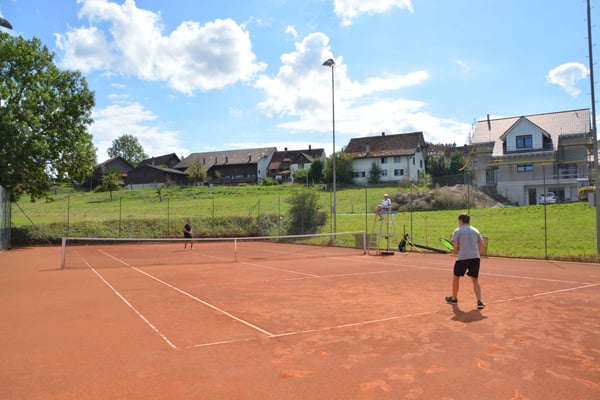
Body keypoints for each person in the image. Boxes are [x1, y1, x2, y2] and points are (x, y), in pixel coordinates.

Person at [445, 213, 486, 309]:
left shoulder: (457, 230)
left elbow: (455, 249)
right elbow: (482, 246)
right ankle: (479, 301)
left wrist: (457, 250)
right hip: (475, 258)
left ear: (460, 221)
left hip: (462, 258)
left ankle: (454, 298)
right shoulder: (475, 230)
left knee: (456, 277)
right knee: (475, 280)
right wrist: (475, 253)